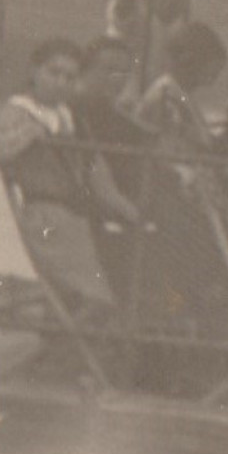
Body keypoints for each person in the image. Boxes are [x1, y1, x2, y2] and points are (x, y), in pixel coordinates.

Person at [0, 40, 140, 311]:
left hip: (72, 218)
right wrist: (25, 137)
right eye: (54, 73)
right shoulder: (17, 114)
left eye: (70, 77)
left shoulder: (69, 119)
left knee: (113, 273)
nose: (61, 82)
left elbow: (95, 172)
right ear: (35, 71)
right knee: (91, 298)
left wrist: (128, 210)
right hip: (38, 217)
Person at [71, 36, 155, 302]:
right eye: (108, 70)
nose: (117, 79)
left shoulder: (118, 119)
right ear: (84, 70)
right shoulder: (71, 112)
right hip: (85, 201)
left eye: (124, 73)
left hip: (121, 199)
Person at [134, 22, 228, 154]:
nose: (216, 74)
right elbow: (173, 153)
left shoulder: (179, 92)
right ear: (188, 60)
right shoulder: (166, 97)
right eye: (212, 67)